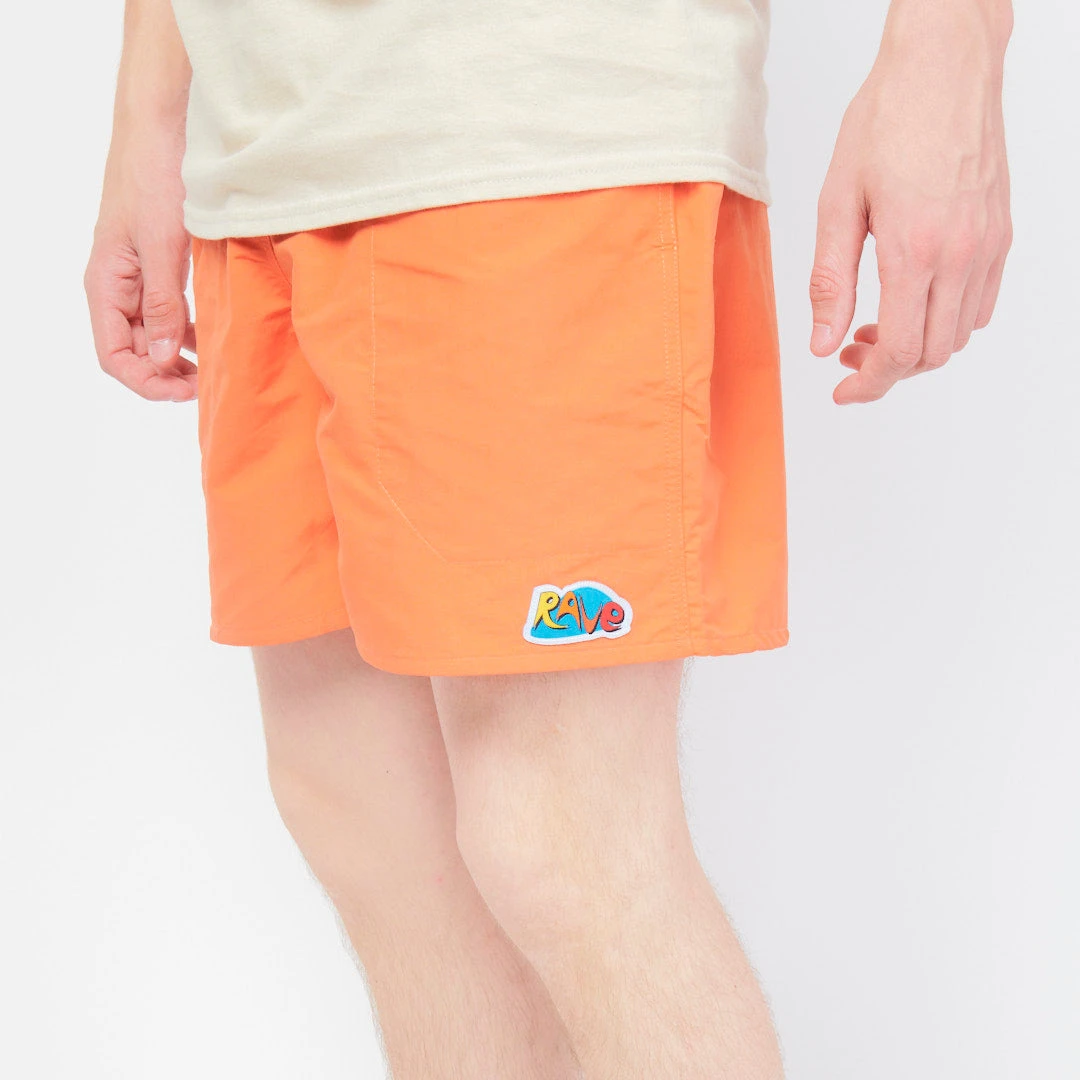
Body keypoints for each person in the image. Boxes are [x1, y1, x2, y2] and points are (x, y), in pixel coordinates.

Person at [83, 1, 1013, 1076]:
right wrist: (148, 108)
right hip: (263, 145)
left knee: (562, 835)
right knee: (366, 811)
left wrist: (952, 42)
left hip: (532, 120)